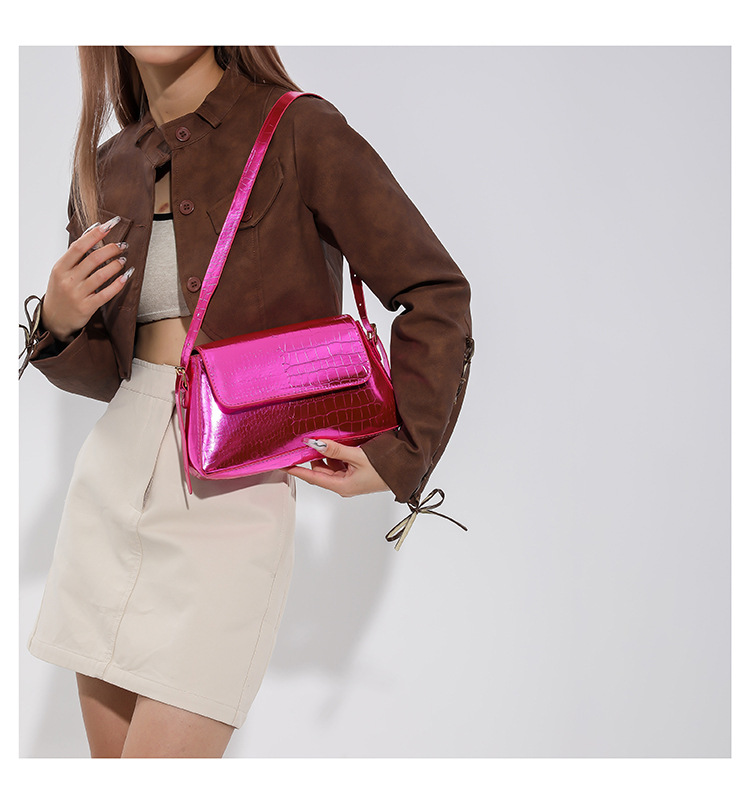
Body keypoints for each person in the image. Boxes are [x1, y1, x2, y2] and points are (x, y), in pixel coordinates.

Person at [20, 46, 473, 758]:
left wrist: (402, 452)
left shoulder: (298, 130)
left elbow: (435, 292)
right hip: (108, 486)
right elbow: (106, 375)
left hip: (231, 497)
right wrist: (58, 318)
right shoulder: (109, 166)